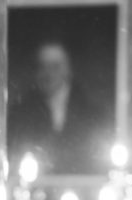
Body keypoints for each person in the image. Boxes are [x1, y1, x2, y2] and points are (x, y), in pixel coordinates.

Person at [7, 41, 113, 176]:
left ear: (68, 70)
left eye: (55, 67)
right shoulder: (21, 112)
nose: (48, 74)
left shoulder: (91, 113)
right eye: (42, 66)